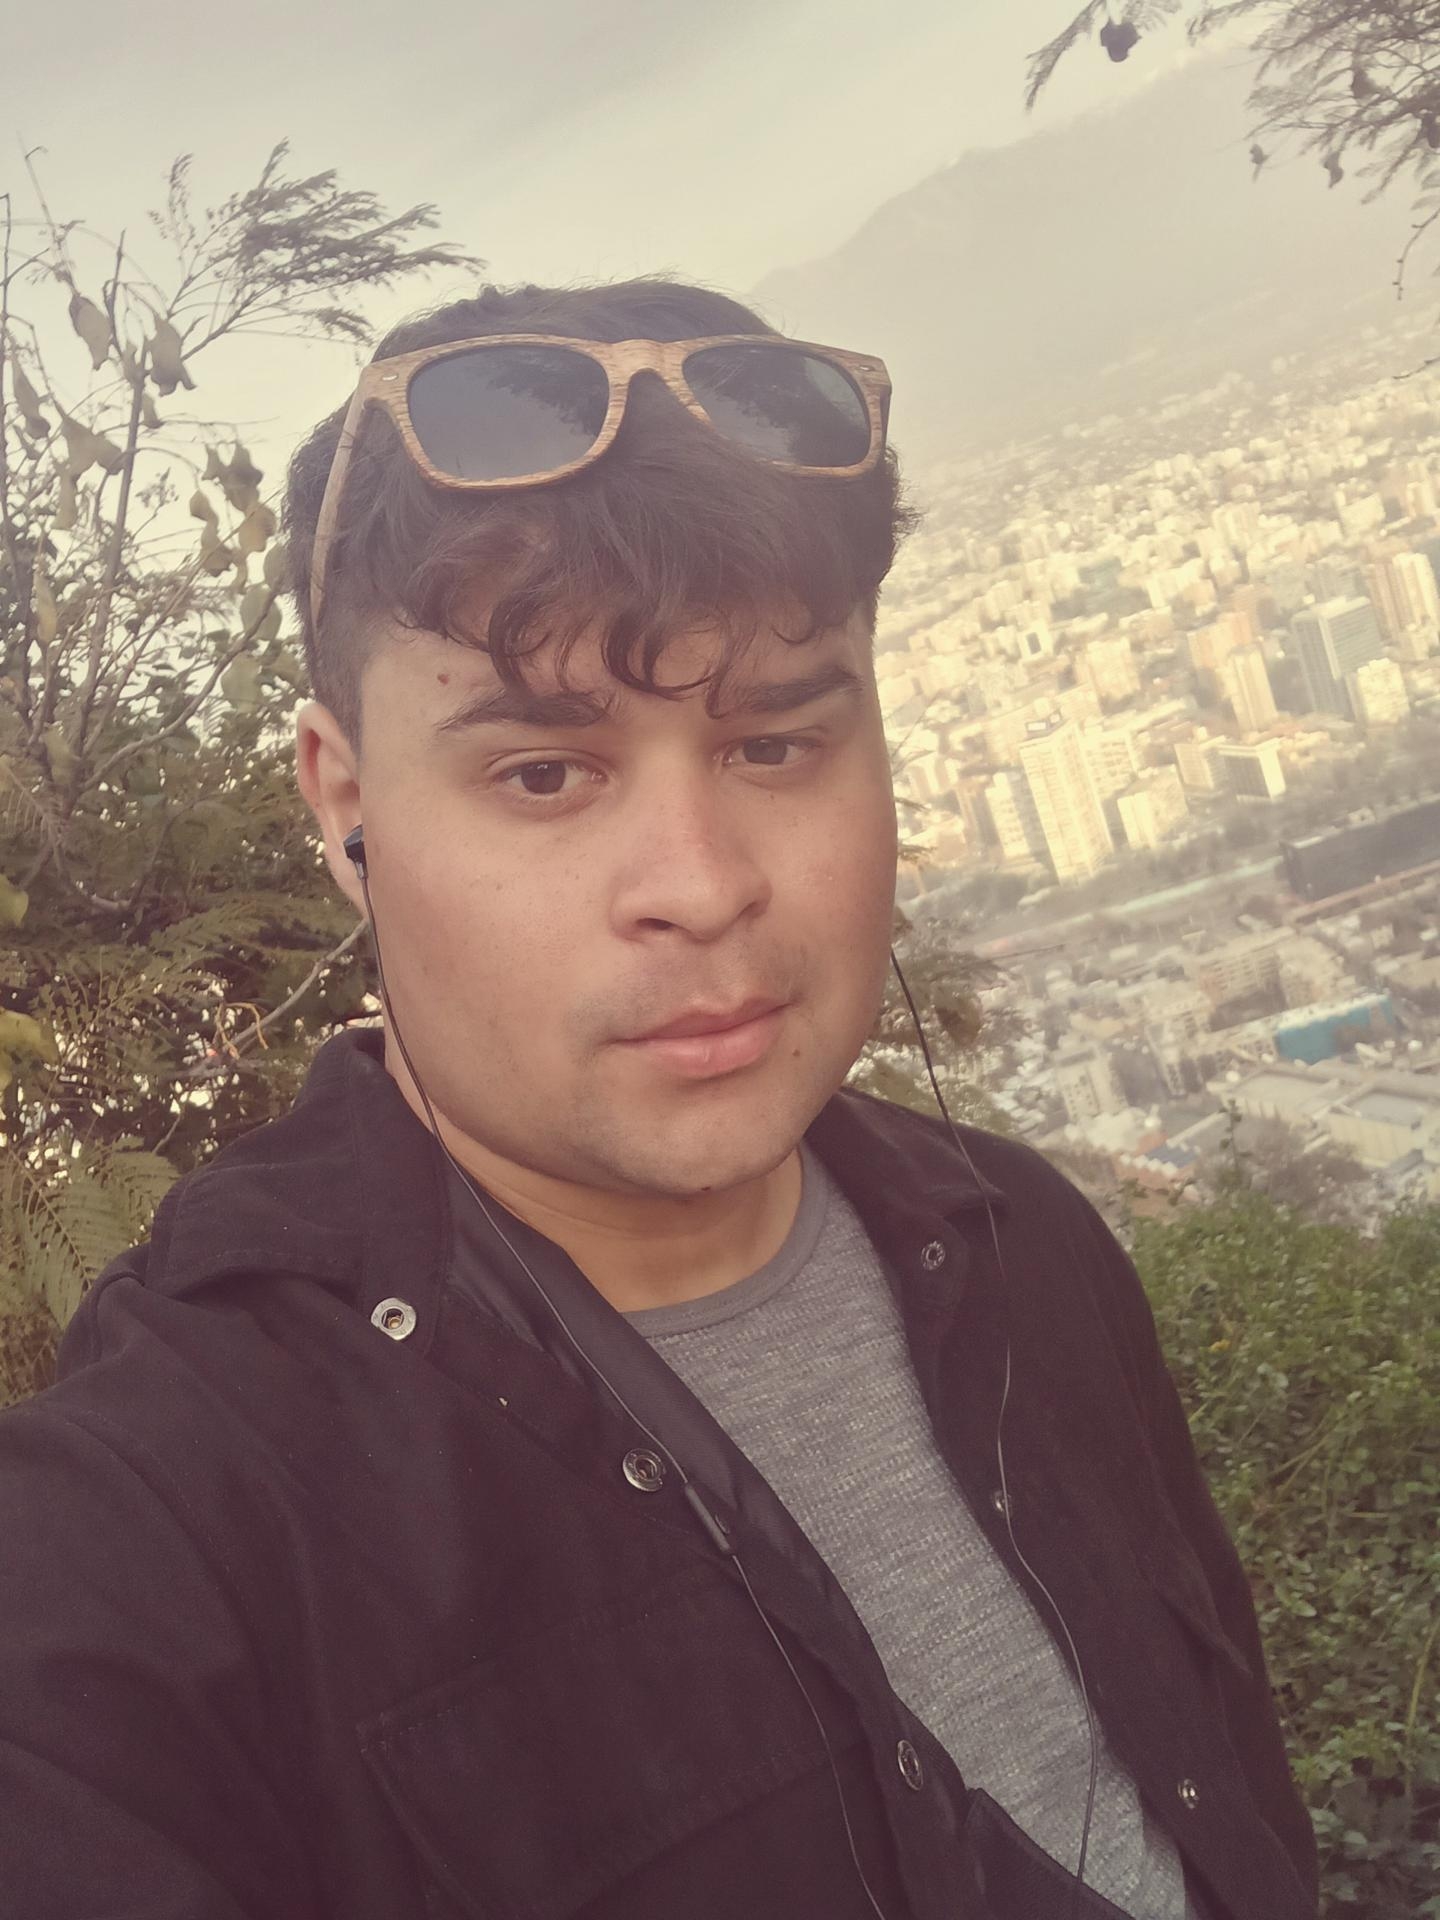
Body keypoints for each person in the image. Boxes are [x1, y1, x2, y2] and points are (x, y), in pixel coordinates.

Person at [0, 278, 1318, 1920]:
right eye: (544, 772)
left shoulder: (1022, 1239)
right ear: (346, 806)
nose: (700, 886)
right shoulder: (163, 1537)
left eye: (775, 745)